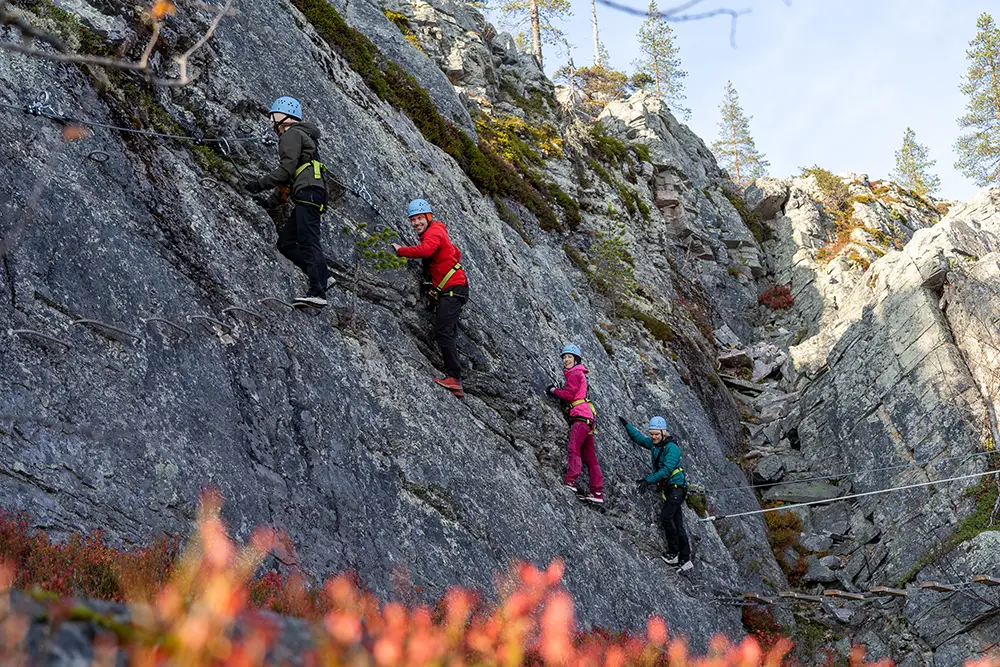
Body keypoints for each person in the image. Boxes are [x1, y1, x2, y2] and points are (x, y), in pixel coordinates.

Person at [244, 96, 333, 307]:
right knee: (285, 242)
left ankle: (317, 293)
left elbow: (285, 172)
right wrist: (270, 203)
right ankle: (324, 276)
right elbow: (288, 182)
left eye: (273, 116)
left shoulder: (291, 134)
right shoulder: (303, 136)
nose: (271, 121)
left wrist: (258, 184)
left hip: (309, 193)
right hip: (311, 193)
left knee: (308, 240)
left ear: (283, 116)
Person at [392, 199, 469, 397]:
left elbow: (426, 250)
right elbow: (455, 253)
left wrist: (401, 251)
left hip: (453, 289)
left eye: (419, 219)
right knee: (446, 332)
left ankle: (454, 378)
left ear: (428, 217)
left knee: (443, 332)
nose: (416, 223)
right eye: (413, 220)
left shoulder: (434, 232)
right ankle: (455, 379)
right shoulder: (435, 231)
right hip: (453, 288)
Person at [620, 415, 692, 571]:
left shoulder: (672, 449)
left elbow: (667, 470)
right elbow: (639, 439)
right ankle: (685, 558)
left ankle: (674, 553)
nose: (653, 437)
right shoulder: (655, 444)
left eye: (656, 434)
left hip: (677, 488)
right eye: (651, 434)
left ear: (663, 432)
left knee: (666, 517)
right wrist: (627, 425)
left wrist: (648, 480)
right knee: (677, 523)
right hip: (671, 489)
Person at [548, 345, 604, 505]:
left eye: (569, 357)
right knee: (590, 458)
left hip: (580, 417)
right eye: (564, 357)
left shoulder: (573, 373)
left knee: (574, 448)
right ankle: (597, 492)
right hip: (589, 419)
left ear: (576, 360)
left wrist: (553, 390)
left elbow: (569, 394)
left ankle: (570, 481)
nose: (566, 360)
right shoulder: (580, 373)